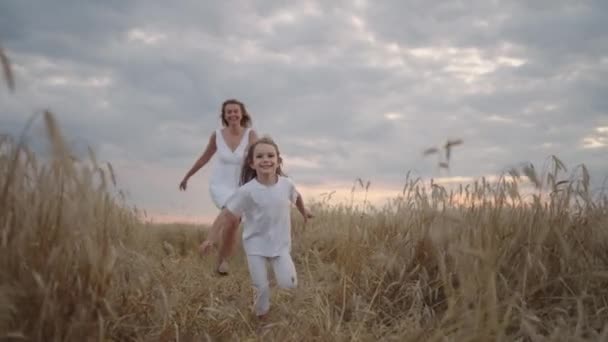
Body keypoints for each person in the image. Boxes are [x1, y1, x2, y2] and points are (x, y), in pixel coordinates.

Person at [200, 136, 313, 319]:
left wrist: (304, 211)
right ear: (252, 164)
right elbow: (225, 215)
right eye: (260, 156)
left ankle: (284, 317)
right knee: (261, 289)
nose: (266, 159)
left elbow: (297, 197)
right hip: (256, 246)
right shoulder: (246, 191)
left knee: (289, 285)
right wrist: (210, 238)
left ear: (278, 161)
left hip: (281, 245)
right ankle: (262, 321)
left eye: (270, 155)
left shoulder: (286, 184)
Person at [179, 99, 258, 275]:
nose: (232, 114)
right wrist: (187, 176)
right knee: (230, 208)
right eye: (228, 112)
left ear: (242, 113)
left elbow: (258, 158)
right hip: (221, 184)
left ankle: (222, 262)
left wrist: (272, 179)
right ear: (224, 116)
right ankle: (210, 241)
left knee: (232, 223)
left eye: (235, 111)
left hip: (242, 184)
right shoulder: (217, 135)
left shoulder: (251, 134)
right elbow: (204, 158)